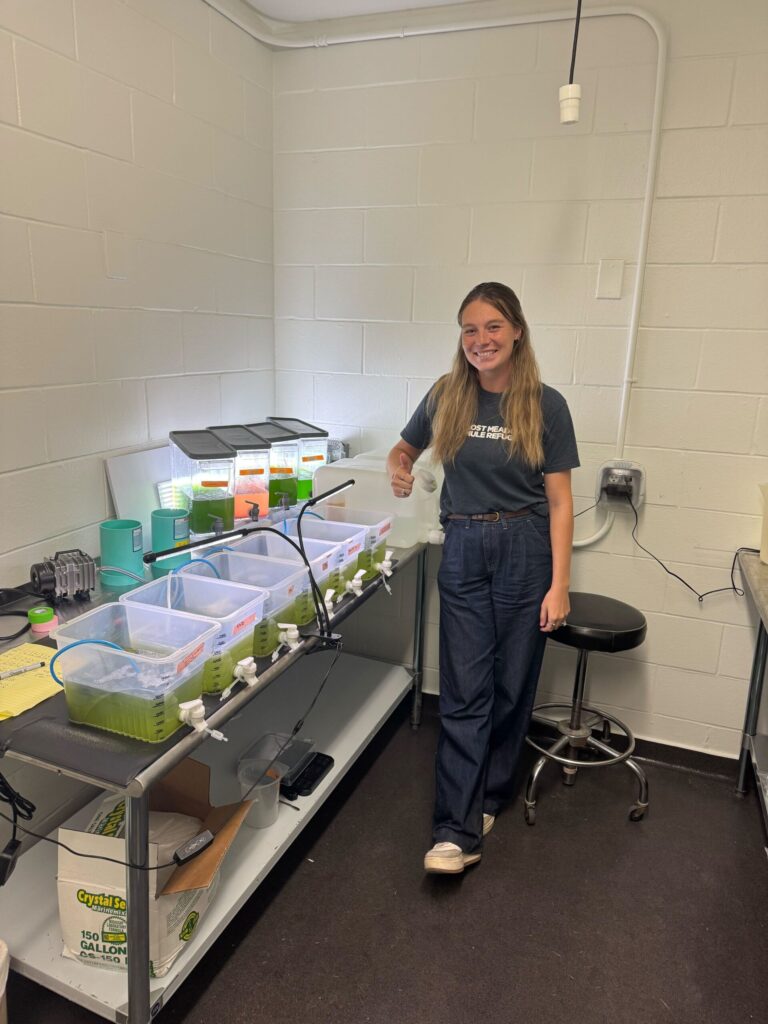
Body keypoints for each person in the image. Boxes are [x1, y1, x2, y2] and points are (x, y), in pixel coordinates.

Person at [386, 281, 579, 874]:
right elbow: (401, 450)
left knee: (512, 684)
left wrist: (559, 585)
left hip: (525, 547)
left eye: (493, 326)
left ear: (516, 331)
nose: (481, 339)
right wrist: (399, 468)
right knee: (466, 687)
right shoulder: (446, 395)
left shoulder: (545, 405)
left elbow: (561, 502)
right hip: (465, 545)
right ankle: (454, 831)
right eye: (470, 329)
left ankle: (491, 794)